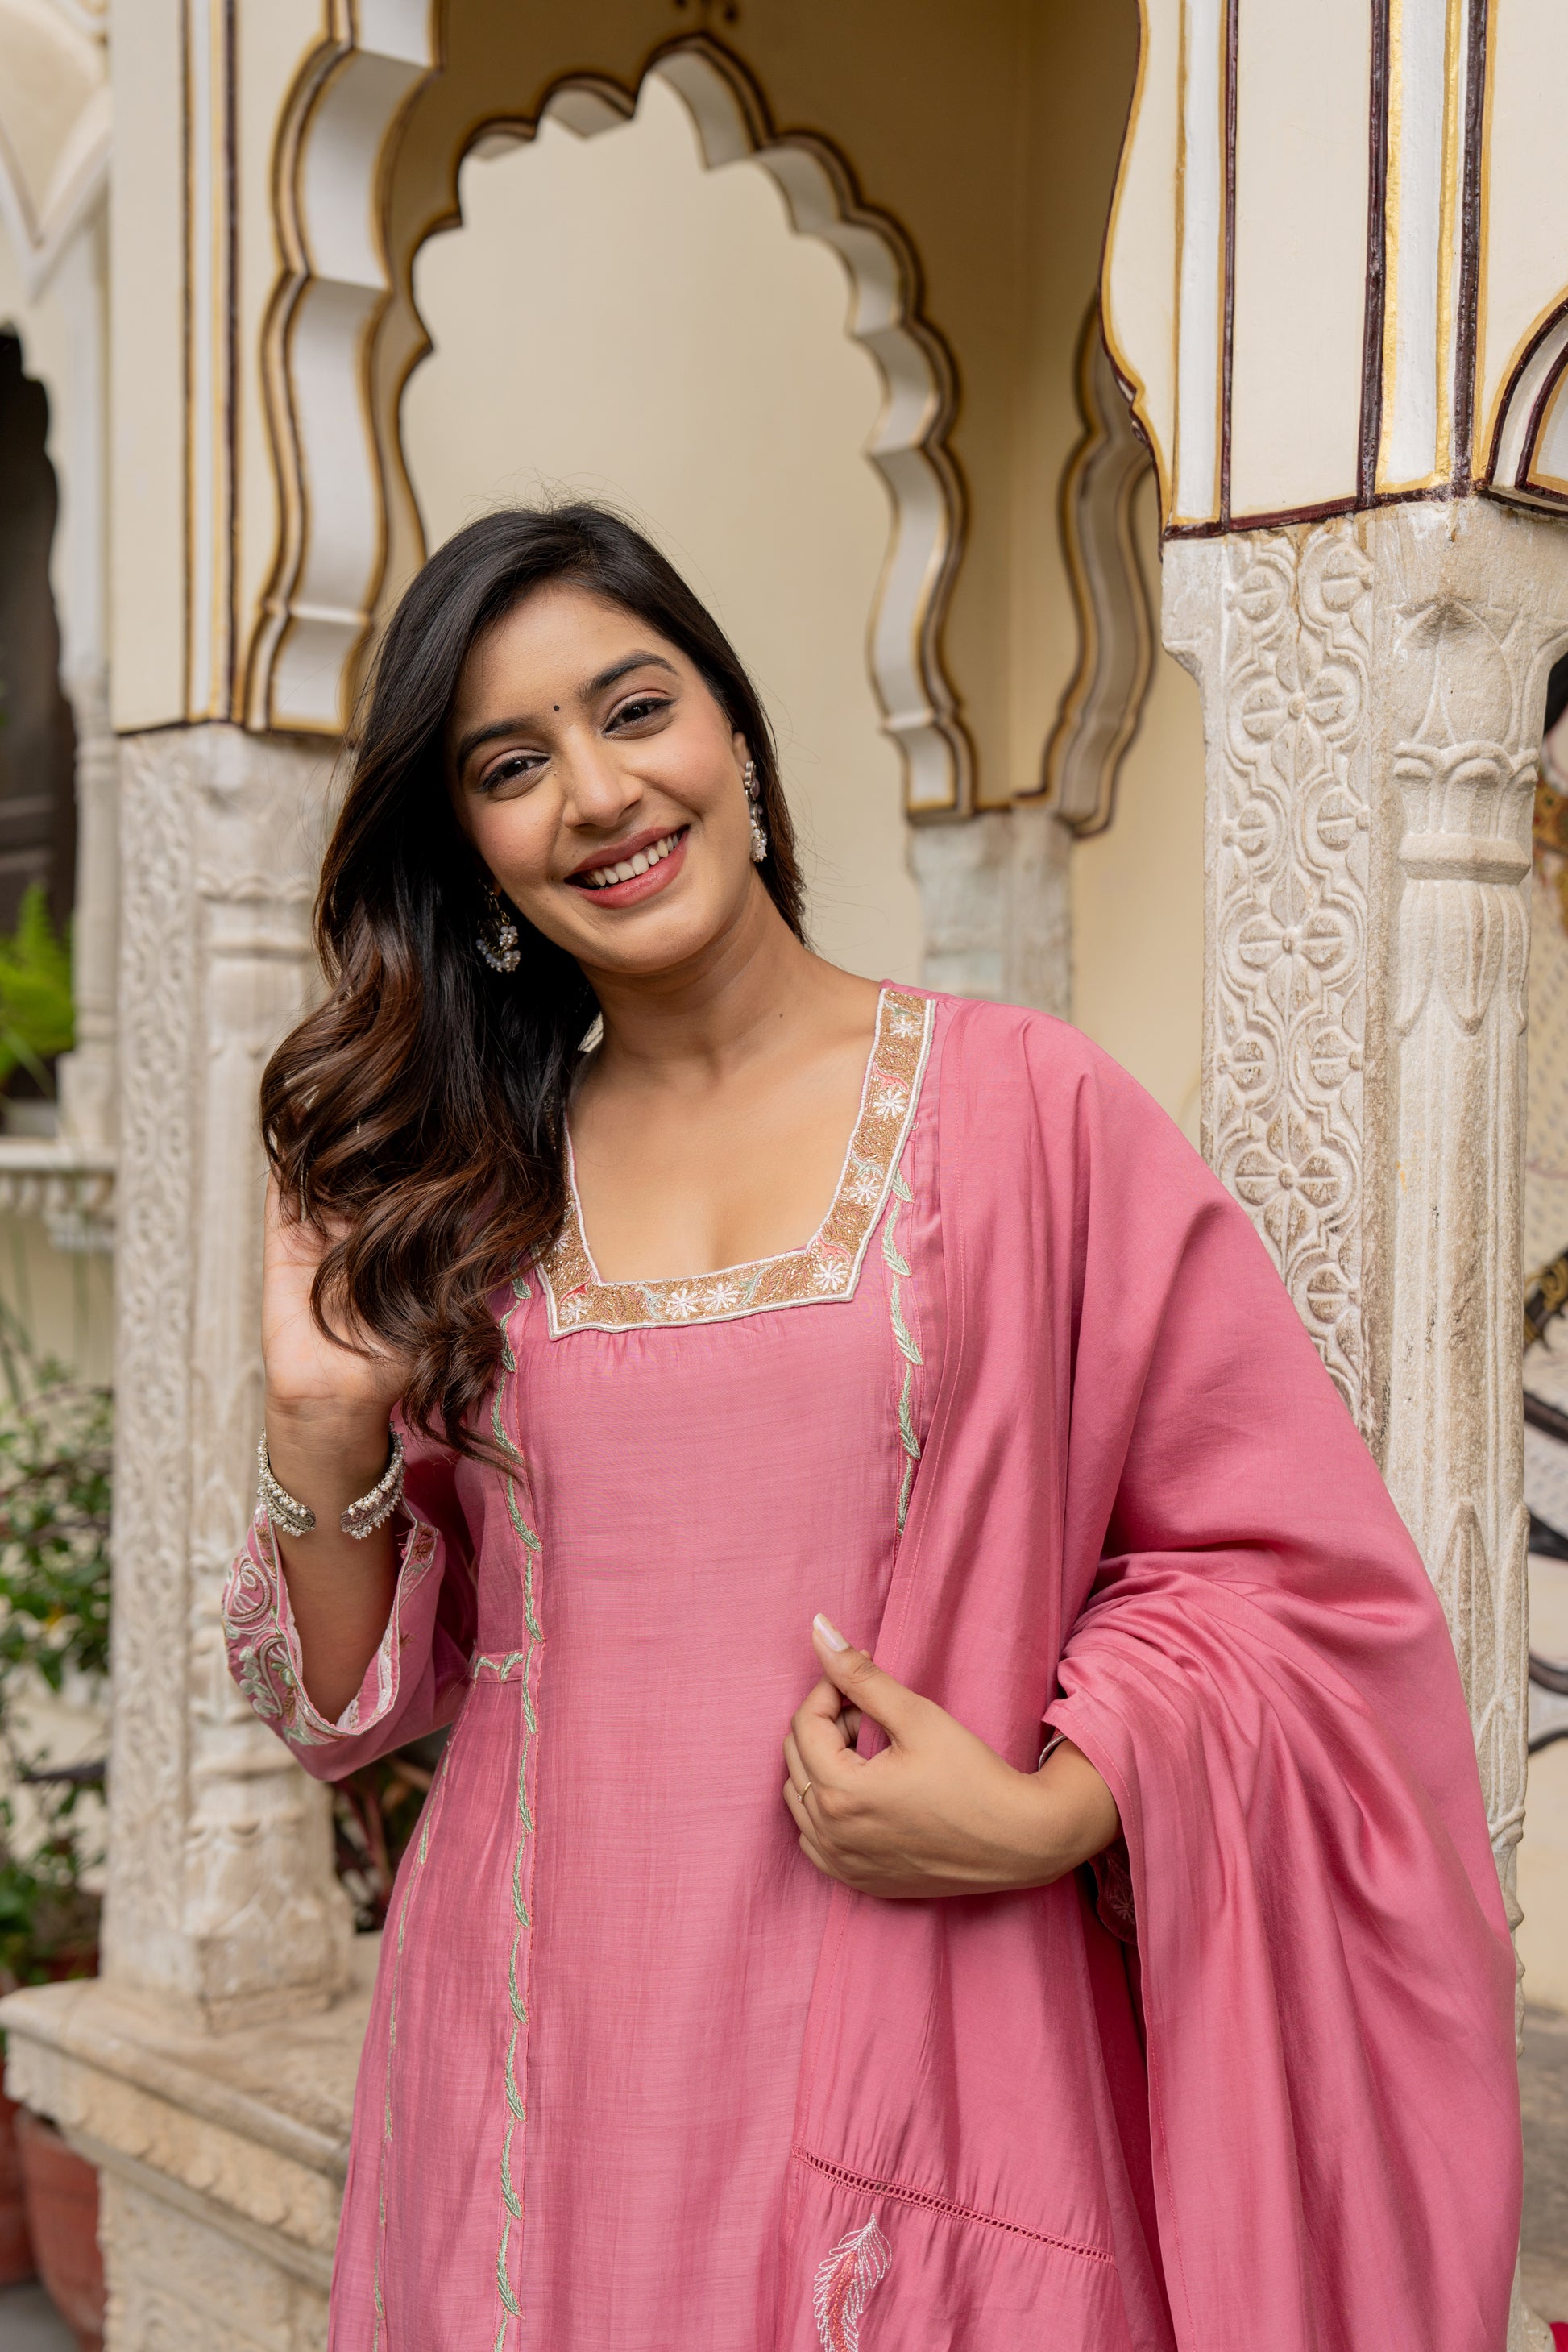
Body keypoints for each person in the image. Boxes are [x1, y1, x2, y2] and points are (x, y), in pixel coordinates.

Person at [226, 504, 1520, 2352]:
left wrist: (1050, 1803)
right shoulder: (474, 1187)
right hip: (531, 2088)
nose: (596, 792)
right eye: (511, 766)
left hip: (933, 2047)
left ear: (736, 741)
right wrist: (318, 1417)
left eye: (636, 709)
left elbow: (1295, 1589)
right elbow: (347, 1711)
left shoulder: (1027, 1115)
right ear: (474, 855)